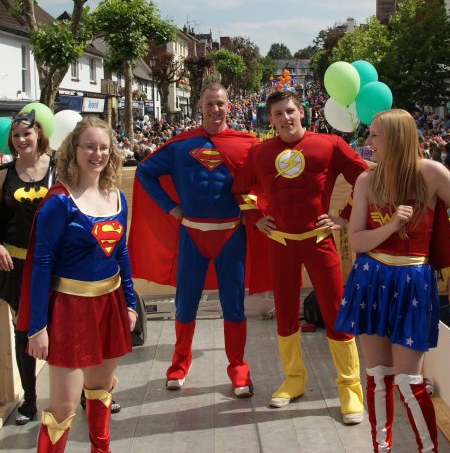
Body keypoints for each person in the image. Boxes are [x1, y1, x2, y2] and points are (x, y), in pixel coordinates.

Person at [335, 109, 450, 452]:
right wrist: (393, 225)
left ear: (394, 137)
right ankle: (382, 448)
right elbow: (359, 241)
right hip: (371, 279)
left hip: (412, 281)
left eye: (375, 135)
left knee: (409, 382)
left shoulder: (432, 172)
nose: (368, 142)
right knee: (378, 378)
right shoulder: (367, 180)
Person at [232, 89, 368, 424]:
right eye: (278, 114)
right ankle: (293, 379)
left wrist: (346, 215)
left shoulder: (330, 144)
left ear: (302, 112)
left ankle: (350, 388)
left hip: (319, 239)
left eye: (290, 111)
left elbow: (366, 178)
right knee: (286, 310)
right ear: (271, 119)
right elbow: (239, 190)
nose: (285, 118)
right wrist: (255, 217)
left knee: (336, 309)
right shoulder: (260, 152)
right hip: (280, 242)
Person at [129, 82, 261, 398]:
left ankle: (238, 368)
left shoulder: (247, 145)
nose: (215, 109)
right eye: (210, 104)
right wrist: (171, 209)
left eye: (221, 103)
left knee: (234, 304)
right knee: (185, 304)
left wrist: (254, 210)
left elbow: (265, 179)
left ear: (230, 106)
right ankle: (178, 365)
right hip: (192, 233)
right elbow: (144, 172)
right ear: (199, 107)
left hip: (230, 233)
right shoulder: (179, 145)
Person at [17, 118, 137, 452]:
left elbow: (121, 251)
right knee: (64, 407)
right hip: (70, 310)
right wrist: (38, 327)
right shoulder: (59, 203)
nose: (97, 153)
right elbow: (40, 265)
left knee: (101, 391)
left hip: (109, 303)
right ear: (74, 150)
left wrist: (128, 302)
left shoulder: (115, 196)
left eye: (103, 147)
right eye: (89, 146)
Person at [0, 110, 55, 425]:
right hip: (16, 266)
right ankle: (29, 401)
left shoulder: (59, 169)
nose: (22, 140)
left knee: (64, 328)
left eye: (27, 134)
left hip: (55, 266)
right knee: (24, 332)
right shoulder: (4, 174)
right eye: (16, 136)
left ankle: (87, 394)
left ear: (39, 135)